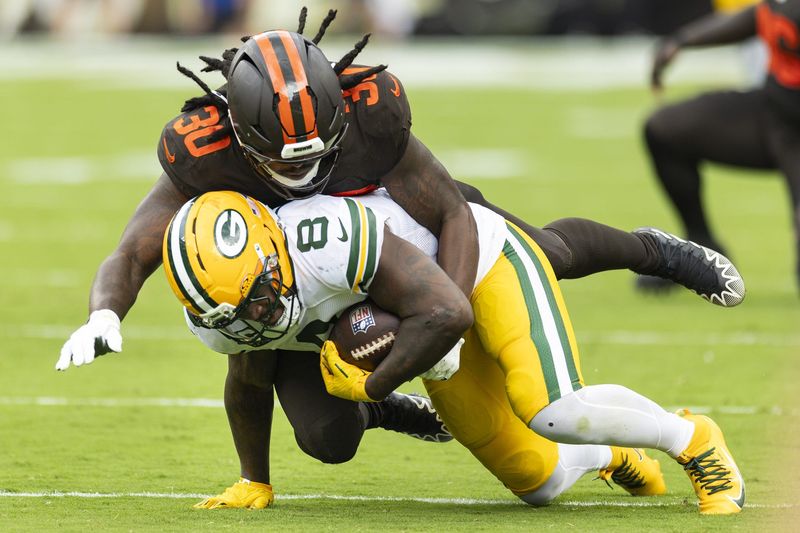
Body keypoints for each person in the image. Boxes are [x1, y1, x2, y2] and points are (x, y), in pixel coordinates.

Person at [57, 9, 744, 508]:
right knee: (329, 437)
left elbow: (450, 214)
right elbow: (136, 251)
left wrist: (442, 326)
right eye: (283, 164)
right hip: (301, 269)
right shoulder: (206, 161)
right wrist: (104, 314)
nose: (306, 173)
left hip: (411, 235)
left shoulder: (369, 118)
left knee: (550, 254)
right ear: (239, 137)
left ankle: (655, 252)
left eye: (319, 151)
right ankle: (584, 447)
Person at [163, 188, 745, 515]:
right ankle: (610, 453)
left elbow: (447, 311)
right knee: (537, 480)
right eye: (238, 315)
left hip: (477, 265)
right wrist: (255, 479)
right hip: (425, 325)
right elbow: (247, 380)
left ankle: (693, 439)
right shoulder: (231, 316)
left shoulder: (330, 240)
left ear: (272, 246)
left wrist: (372, 384)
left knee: (550, 406)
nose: (258, 316)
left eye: (260, 296)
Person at [640, 0, 800, 293]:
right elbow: (758, 16)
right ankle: (703, 247)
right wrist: (682, 41)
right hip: (775, 113)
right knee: (666, 129)